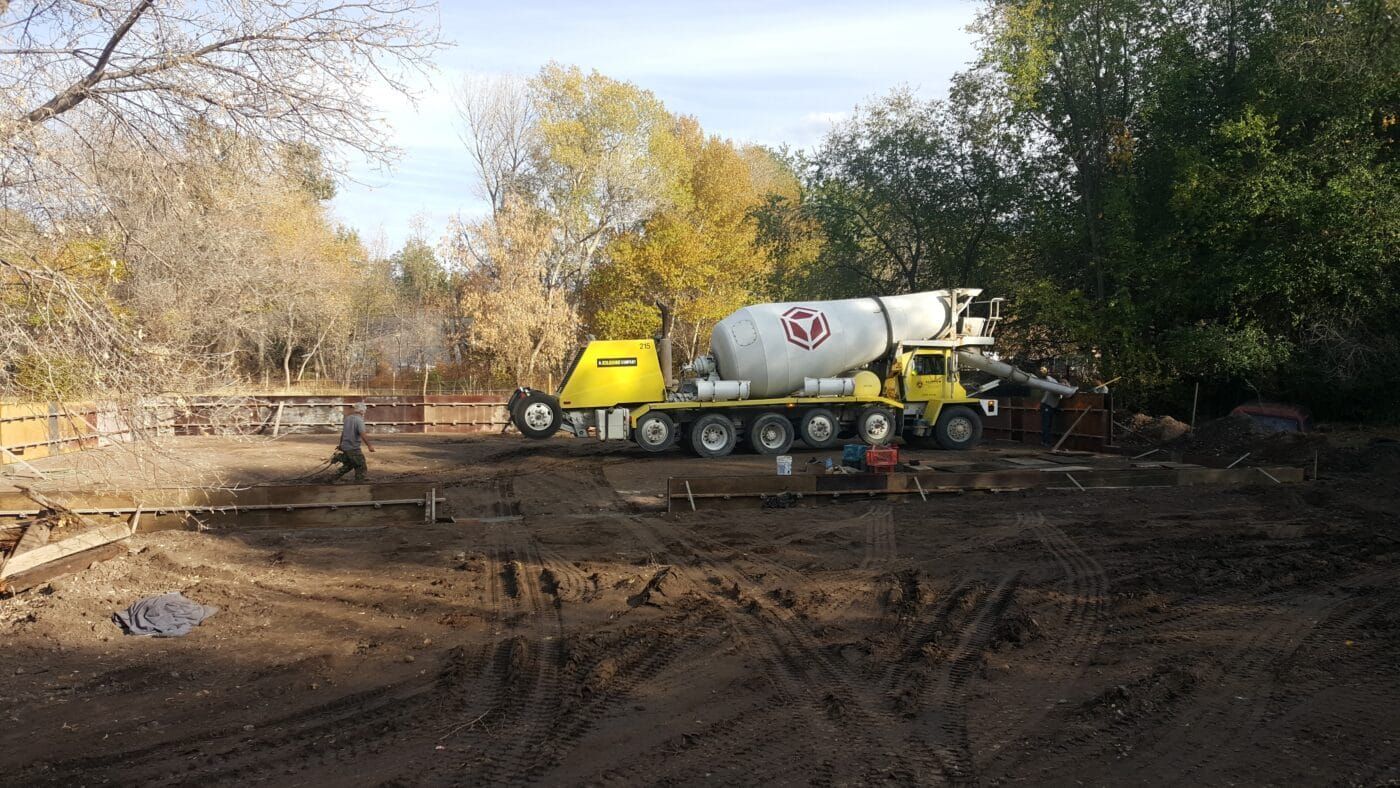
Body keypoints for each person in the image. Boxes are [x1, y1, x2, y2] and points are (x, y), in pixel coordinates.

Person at [331, 403, 375, 482]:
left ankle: (332, 477)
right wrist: (369, 446)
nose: (364, 412)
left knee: (350, 464)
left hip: (345, 446)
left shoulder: (348, 418)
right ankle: (359, 482)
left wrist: (341, 444)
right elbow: (362, 434)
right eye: (364, 411)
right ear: (361, 411)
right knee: (361, 465)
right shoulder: (359, 420)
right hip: (353, 447)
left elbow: (343, 433)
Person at [1038, 366, 1064, 447]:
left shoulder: (1058, 385)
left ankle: (1046, 441)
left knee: (1048, 425)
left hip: (1050, 406)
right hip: (1047, 405)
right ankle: (1045, 442)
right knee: (1046, 425)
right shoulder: (1053, 382)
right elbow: (1047, 377)